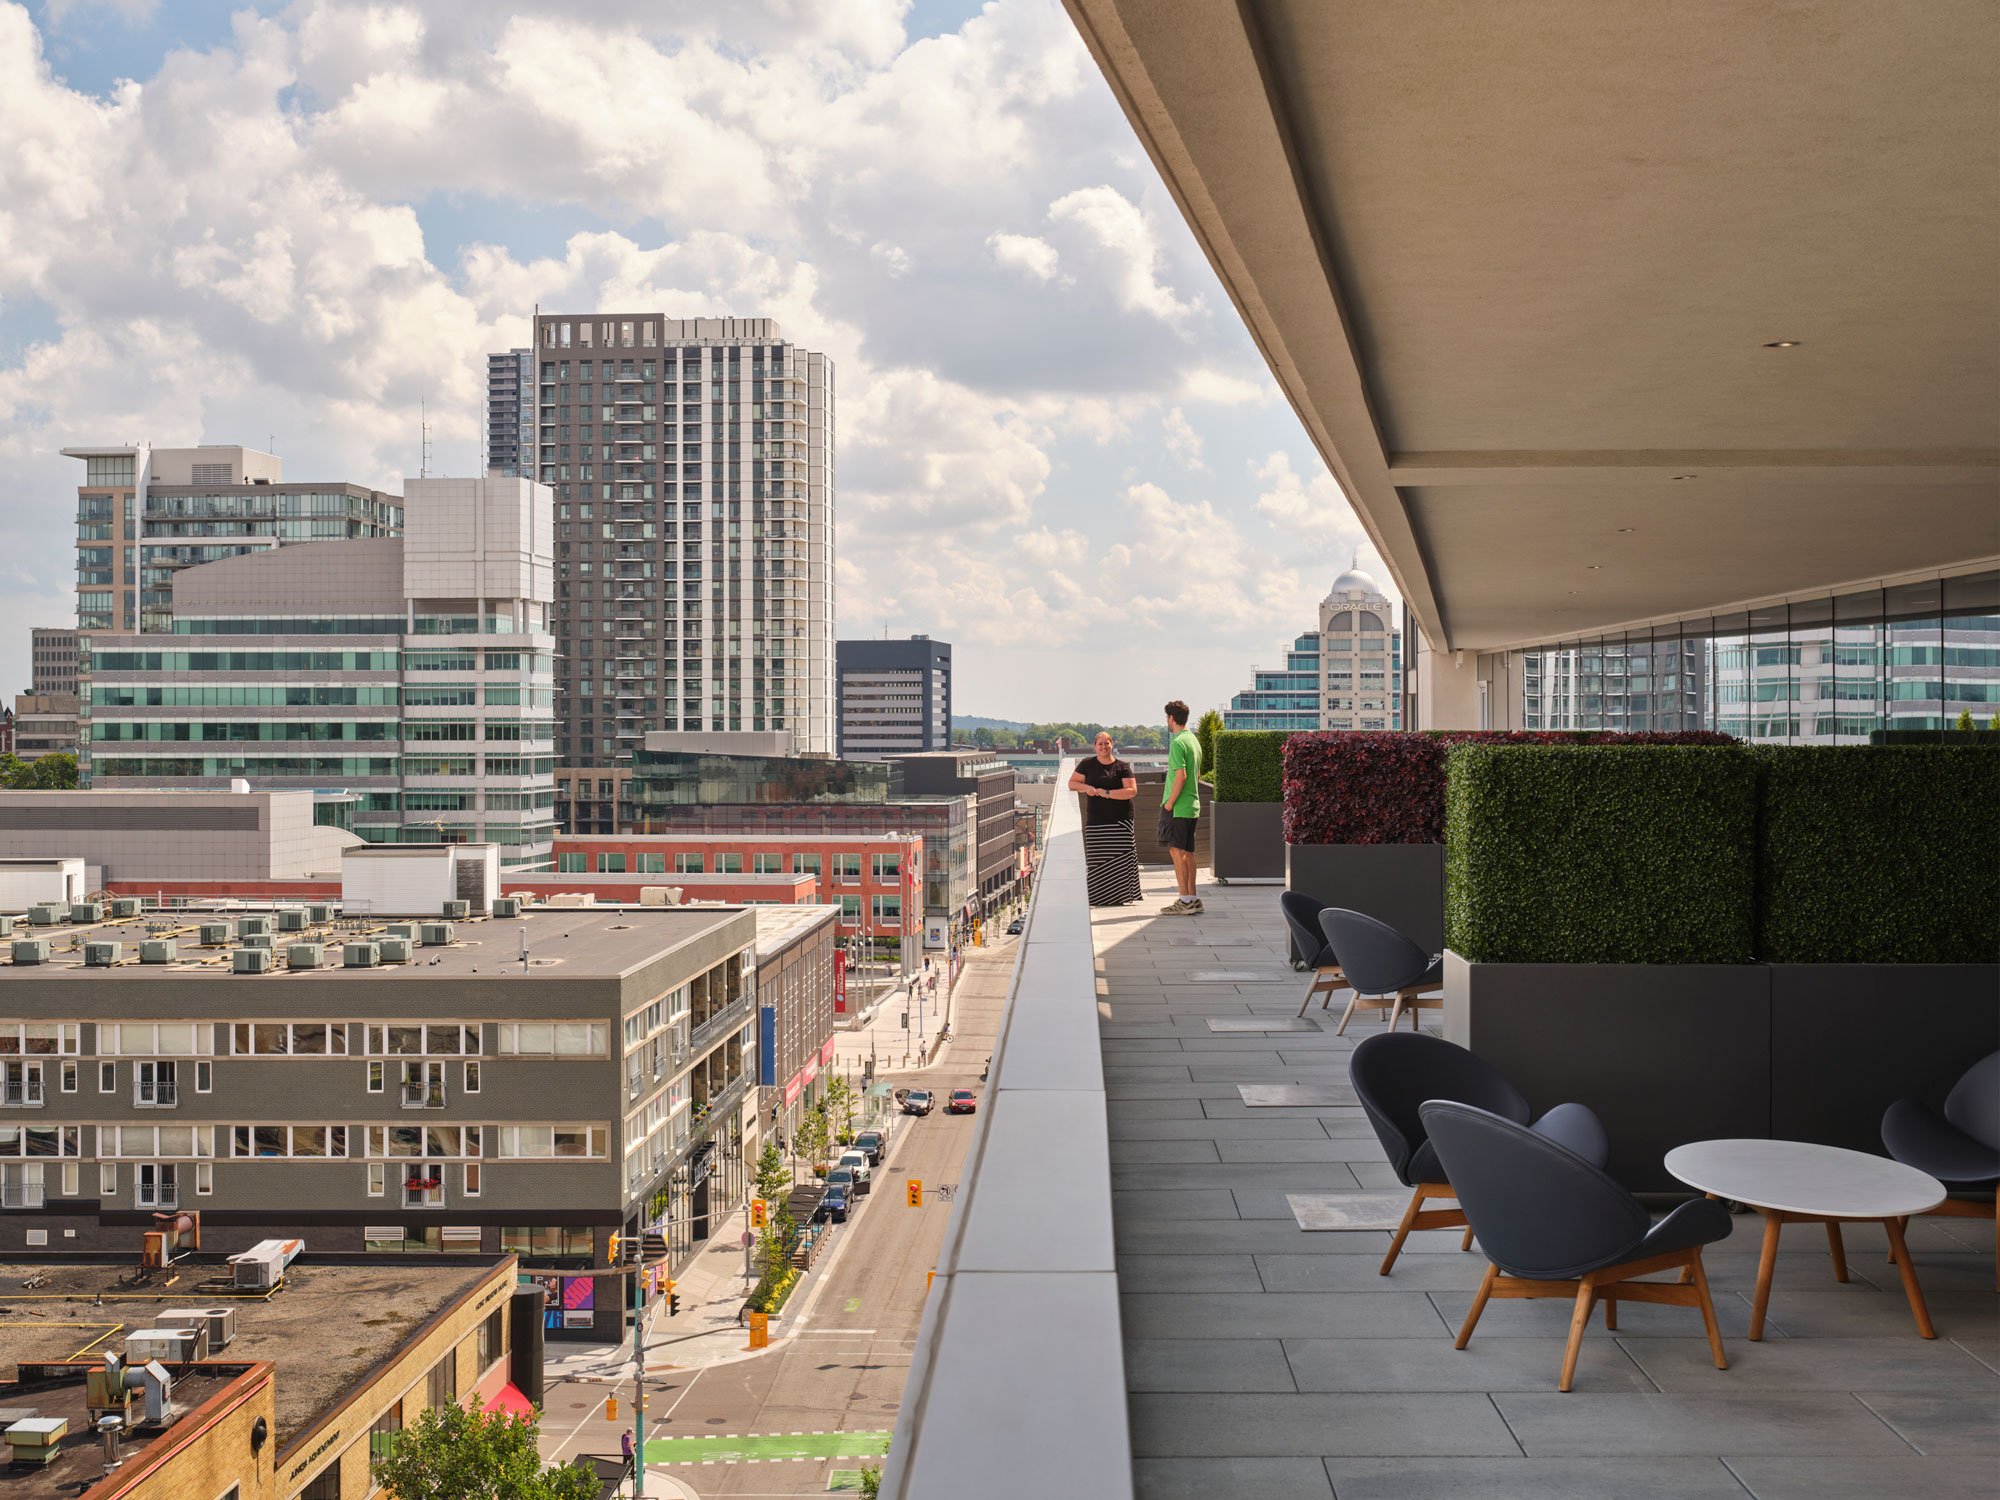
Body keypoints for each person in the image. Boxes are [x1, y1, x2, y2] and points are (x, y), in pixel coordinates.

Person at [1068, 731, 1141, 906]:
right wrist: (1087, 788)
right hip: (1096, 821)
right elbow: (1072, 783)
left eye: (1106, 744)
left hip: (1120, 821)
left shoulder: (1122, 767)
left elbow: (1132, 791)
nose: (1103, 747)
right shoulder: (1087, 764)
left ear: (1112, 745)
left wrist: (1107, 793)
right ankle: (1098, 897)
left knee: (1121, 860)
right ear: (1095, 746)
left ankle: (1120, 897)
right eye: (1100, 744)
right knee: (1097, 860)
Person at [1160, 700, 1203, 914]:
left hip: (1178, 807)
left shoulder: (1178, 742)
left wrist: (1169, 803)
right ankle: (1193, 898)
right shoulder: (1193, 740)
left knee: (1177, 852)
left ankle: (1184, 900)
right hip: (1192, 805)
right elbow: (1196, 775)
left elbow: (1181, 776)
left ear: (1171, 718)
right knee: (1188, 853)